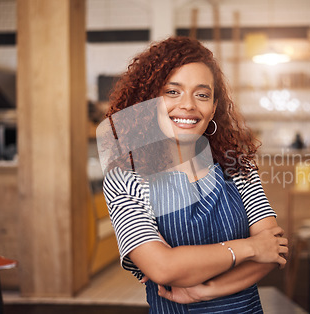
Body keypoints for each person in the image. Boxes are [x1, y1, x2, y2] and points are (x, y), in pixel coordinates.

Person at [100, 36, 288, 313]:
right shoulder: (127, 178)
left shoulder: (236, 166)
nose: (188, 105)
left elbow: (276, 250)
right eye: (172, 92)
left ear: (213, 107)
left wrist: (204, 291)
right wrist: (251, 248)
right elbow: (162, 267)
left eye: (202, 94)